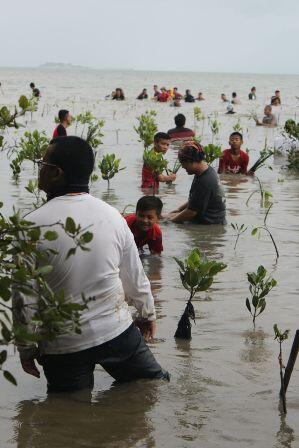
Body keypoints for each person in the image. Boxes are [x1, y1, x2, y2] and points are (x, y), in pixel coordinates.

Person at [13, 136, 169, 392]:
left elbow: (24, 298)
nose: (39, 168)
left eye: (42, 164)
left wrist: (26, 347)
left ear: (56, 173)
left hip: (63, 344)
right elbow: (134, 275)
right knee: (153, 386)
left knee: (68, 416)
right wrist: (146, 313)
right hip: (116, 331)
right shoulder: (112, 216)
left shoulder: (28, 227)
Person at [167, 141, 226, 224]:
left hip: (210, 224)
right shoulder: (204, 170)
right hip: (212, 220)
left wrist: (169, 221)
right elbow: (196, 200)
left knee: (166, 221)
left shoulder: (205, 180)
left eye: (183, 164)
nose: (183, 167)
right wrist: (178, 210)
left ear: (192, 161)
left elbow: (191, 212)